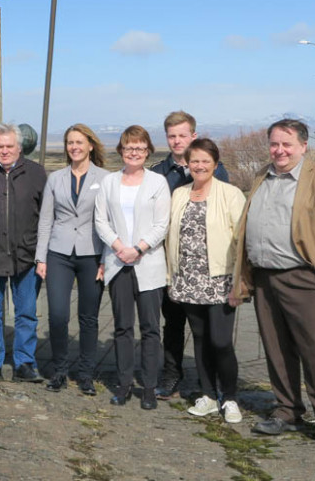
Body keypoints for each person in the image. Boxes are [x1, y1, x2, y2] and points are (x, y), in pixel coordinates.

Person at [232, 119, 315, 460]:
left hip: (306, 280)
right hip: (265, 278)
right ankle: (287, 410)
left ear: (304, 146)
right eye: (275, 144)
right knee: (276, 350)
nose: (280, 150)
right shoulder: (262, 176)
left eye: (287, 144)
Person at [165, 138, 245, 424]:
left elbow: (241, 240)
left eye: (205, 161)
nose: (199, 166)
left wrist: (240, 282)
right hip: (188, 279)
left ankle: (231, 397)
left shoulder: (231, 194)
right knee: (199, 339)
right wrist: (171, 276)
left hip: (221, 279)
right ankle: (209, 395)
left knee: (221, 341)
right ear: (187, 163)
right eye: (194, 161)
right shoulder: (179, 194)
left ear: (215, 163)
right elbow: (170, 237)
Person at [150, 111, 230, 399]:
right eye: (172, 136)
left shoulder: (215, 170)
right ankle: (172, 375)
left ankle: (211, 382)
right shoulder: (158, 173)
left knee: (208, 329)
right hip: (171, 264)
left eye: (182, 135)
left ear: (193, 136)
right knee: (172, 324)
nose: (177, 141)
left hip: (207, 266)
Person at [94, 125, 170, 410]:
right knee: (123, 327)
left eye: (139, 148)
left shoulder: (157, 183)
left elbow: (162, 224)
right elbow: (101, 220)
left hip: (147, 263)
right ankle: (124, 383)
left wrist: (138, 248)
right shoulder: (110, 183)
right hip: (117, 263)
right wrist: (118, 248)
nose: (134, 152)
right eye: (129, 148)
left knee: (151, 328)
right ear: (121, 151)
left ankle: (149, 387)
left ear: (147, 150)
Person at [35, 123, 109, 396]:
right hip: (59, 253)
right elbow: (46, 220)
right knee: (57, 315)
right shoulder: (56, 179)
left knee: (88, 317)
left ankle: (86, 374)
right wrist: (41, 258)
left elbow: (109, 222)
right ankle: (60, 370)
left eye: (79, 142)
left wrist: (106, 259)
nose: (74, 147)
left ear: (90, 145)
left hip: (92, 253)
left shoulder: (105, 178)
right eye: (70, 142)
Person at [0, 124, 47, 382]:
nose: (4, 151)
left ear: (19, 148)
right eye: (0, 146)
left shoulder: (37, 173)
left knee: (26, 313)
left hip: (26, 255)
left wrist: (42, 254)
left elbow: (46, 216)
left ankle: (24, 363)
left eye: (9, 146)